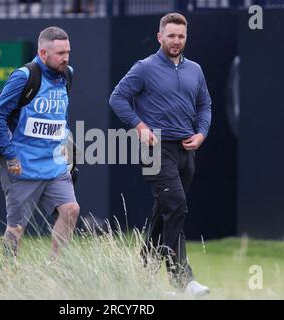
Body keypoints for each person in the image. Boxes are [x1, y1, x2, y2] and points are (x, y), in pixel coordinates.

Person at [109, 13, 211, 296]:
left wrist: (201, 132)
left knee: (165, 212)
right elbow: (117, 97)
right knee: (176, 205)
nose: (176, 41)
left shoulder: (195, 70)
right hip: (155, 149)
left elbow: (205, 105)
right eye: (171, 36)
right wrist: (139, 126)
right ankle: (182, 279)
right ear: (160, 37)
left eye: (181, 36)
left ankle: (144, 270)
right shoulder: (144, 68)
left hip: (186, 149)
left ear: (185, 37)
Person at [0, 26, 80, 262]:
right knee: (16, 227)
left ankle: (54, 268)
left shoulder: (67, 74)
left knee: (71, 210)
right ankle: (7, 272)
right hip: (22, 164)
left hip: (54, 164)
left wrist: (68, 149)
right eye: (60, 53)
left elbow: (60, 117)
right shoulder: (24, 76)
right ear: (42, 53)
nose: (66, 58)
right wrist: (9, 155)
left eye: (68, 52)